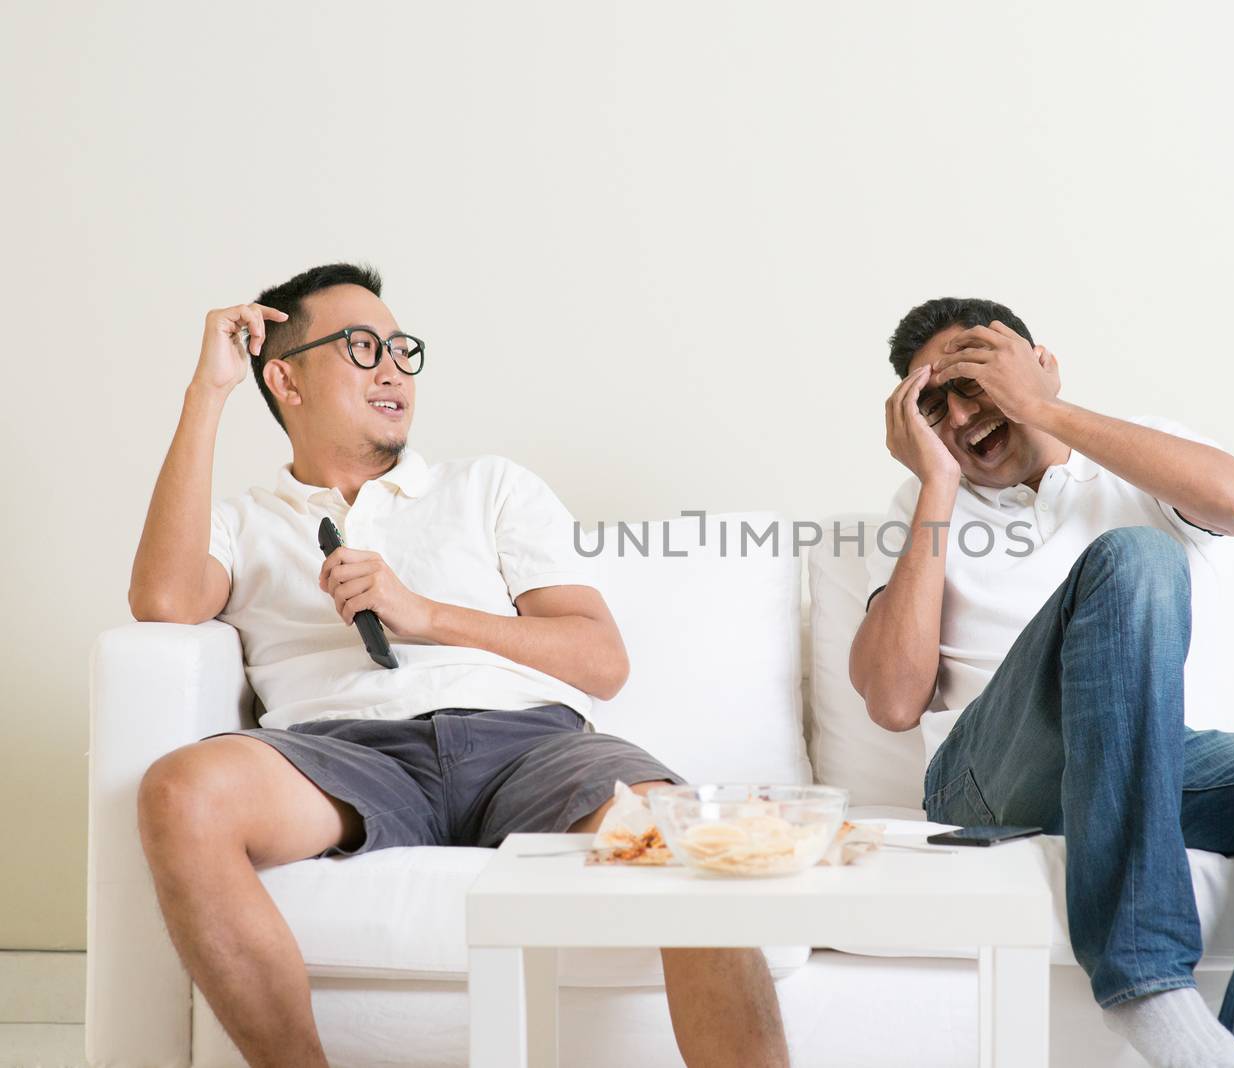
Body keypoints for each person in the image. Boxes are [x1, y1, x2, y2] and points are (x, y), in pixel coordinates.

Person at [127, 263, 788, 1068]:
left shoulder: (489, 487)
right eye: (362, 347)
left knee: (693, 843)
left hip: (532, 746)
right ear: (284, 379)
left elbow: (600, 660)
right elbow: (163, 600)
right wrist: (209, 391)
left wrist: (426, 615)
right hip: (342, 757)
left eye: (402, 349)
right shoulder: (244, 521)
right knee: (179, 790)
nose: (394, 368)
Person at [849, 296, 1234, 1068]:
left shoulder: (1133, 458)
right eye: (932, 402)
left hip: (1146, 763)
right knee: (1136, 560)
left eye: (975, 382)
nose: (958, 415)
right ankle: (1143, 977)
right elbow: (890, 700)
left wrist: (1046, 409)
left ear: (1031, 361)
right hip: (993, 782)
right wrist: (936, 488)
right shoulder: (919, 510)